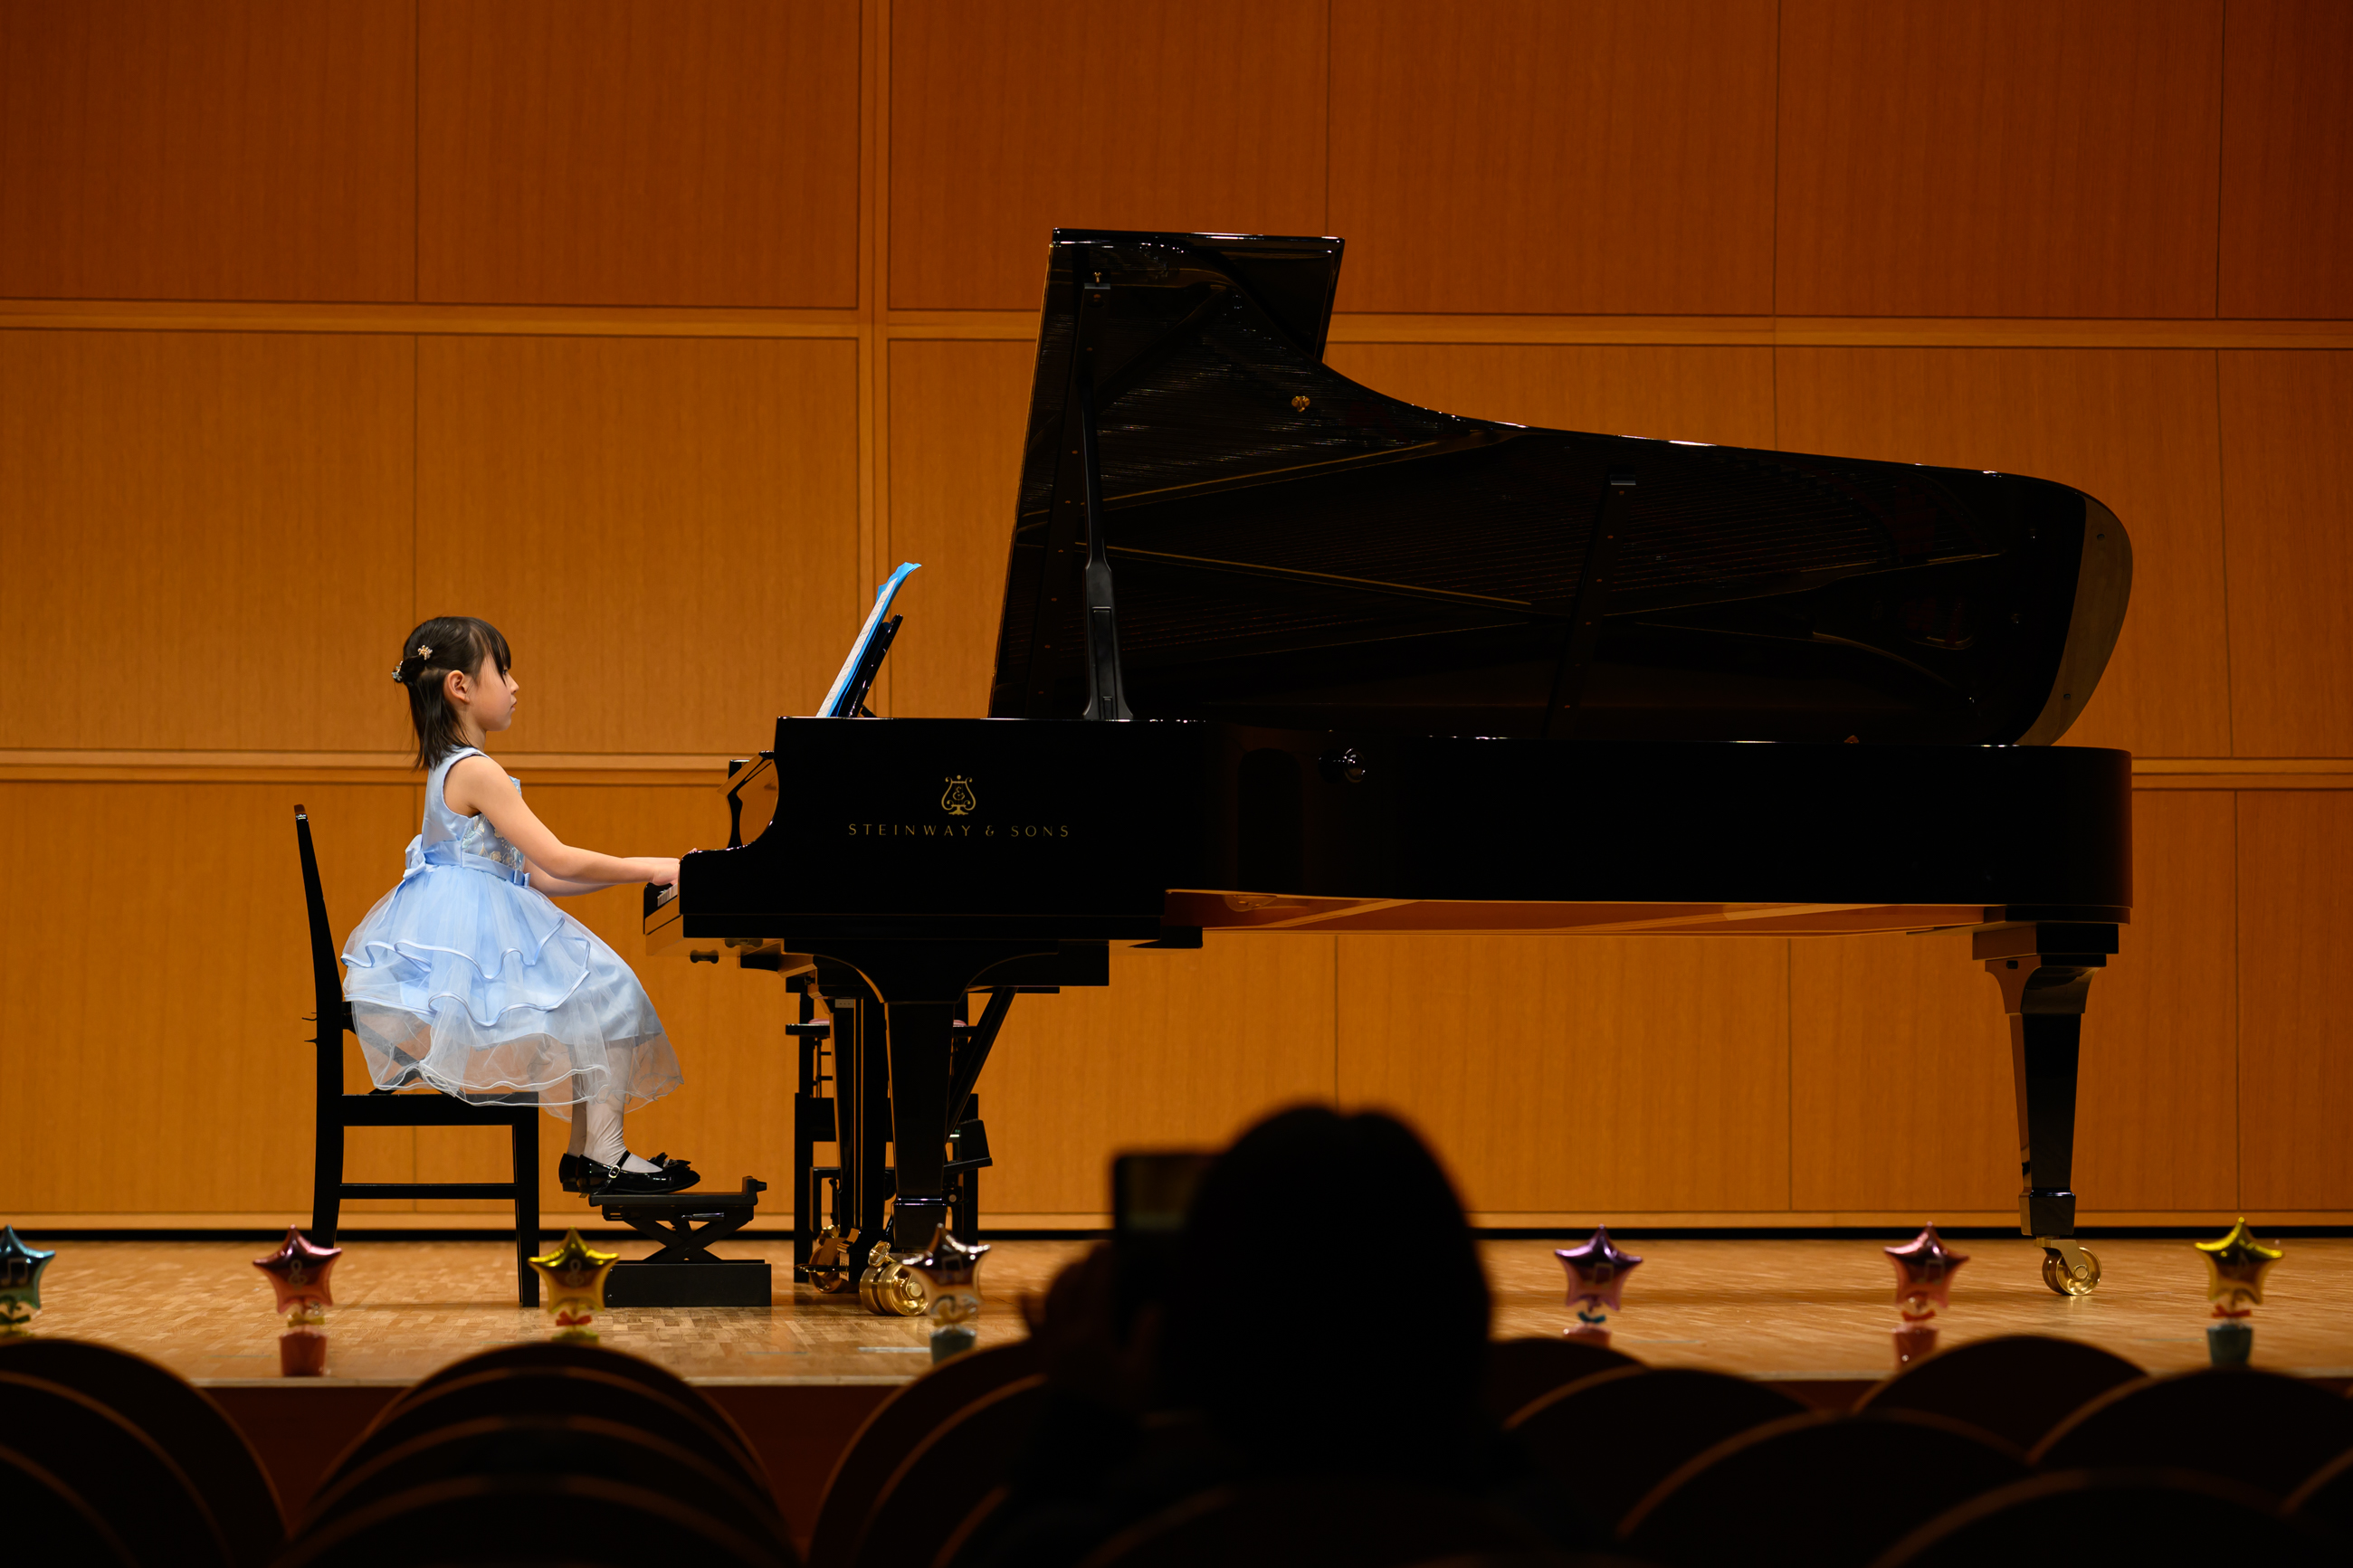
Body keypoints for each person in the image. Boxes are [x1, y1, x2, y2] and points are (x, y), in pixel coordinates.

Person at [339, 615, 696, 1197]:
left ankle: (591, 1153)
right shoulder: (477, 770)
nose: (514, 684)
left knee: (603, 994)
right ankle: (600, 1153)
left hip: (481, 920)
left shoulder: (453, 769)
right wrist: (654, 866)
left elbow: (541, 875)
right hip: (477, 941)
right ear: (460, 686)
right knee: (611, 991)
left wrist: (631, 879)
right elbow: (558, 856)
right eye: (501, 670)